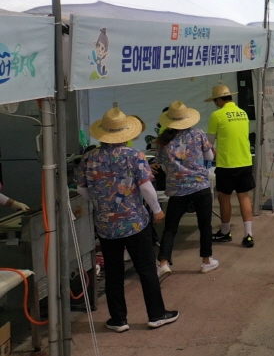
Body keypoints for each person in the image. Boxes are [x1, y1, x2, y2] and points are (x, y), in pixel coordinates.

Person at [77, 106, 179, 332]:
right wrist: (156, 210)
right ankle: (156, 314)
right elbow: (146, 187)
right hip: (135, 222)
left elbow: (82, 189)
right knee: (145, 269)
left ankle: (118, 319)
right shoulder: (134, 156)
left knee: (113, 271)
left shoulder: (89, 158)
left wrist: (100, 201)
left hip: (106, 225)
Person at [154, 101, 219, 277]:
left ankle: (164, 262)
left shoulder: (163, 141)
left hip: (177, 190)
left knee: (170, 228)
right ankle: (206, 261)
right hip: (200, 186)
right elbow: (210, 156)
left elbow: (161, 164)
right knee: (205, 226)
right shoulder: (198, 134)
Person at [205, 84, 256, 248]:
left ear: (219, 100)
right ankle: (248, 235)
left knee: (224, 197)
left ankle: (225, 231)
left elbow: (209, 142)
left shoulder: (217, 115)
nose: (216, 103)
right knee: (244, 197)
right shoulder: (243, 113)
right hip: (245, 160)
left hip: (226, 163)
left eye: (215, 101)